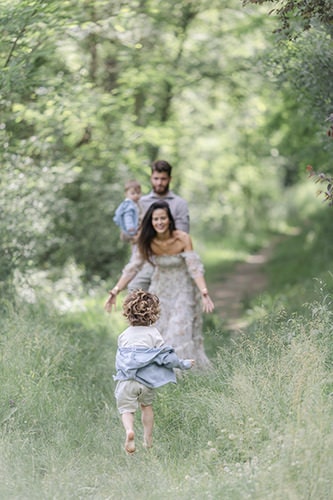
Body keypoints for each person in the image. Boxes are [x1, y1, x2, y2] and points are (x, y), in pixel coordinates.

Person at [104, 200, 214, 368]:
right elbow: (133, 268)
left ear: (169, 219)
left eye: (163, 218)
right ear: (151, 221)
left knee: (179, 330)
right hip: (160, 290)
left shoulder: (182, 239)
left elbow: (194, 267)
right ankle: (161, 374)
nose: (159, 222)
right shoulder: (147, 241)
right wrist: (116, 290)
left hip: (183, 290)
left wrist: (204, 292)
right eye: (156, 219)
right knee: (160, 332)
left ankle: (181, 375)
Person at [113, 289, 194, 455]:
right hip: (146, 383)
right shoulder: (153, 333)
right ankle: (147, 439)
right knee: (146, 407)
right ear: (153, 313)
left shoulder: (123, 336)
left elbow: (120, 360)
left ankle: (129, 431)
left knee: (126, 410)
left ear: (128, 312)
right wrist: (182, 364)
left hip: (127, 381)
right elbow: (166, 357)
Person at [128, 159, 189, 291]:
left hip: (170, 262)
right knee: (134, 295)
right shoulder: (140, 203)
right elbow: (128, 235)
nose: (159, 183)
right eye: (156, 178)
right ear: (151, 178)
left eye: (163, 179)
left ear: (170, 179)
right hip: (142, 262)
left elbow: (181, 236)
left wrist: (145, 234)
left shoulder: (179, 204)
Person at [113, 180, 142, 244]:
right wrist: (130, 227)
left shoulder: (135, 203)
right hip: (131, 228)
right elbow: (128, 216)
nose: (136, 195)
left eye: (138, 193)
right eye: (133, 193)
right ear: (126, 194)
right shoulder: (129, 204)